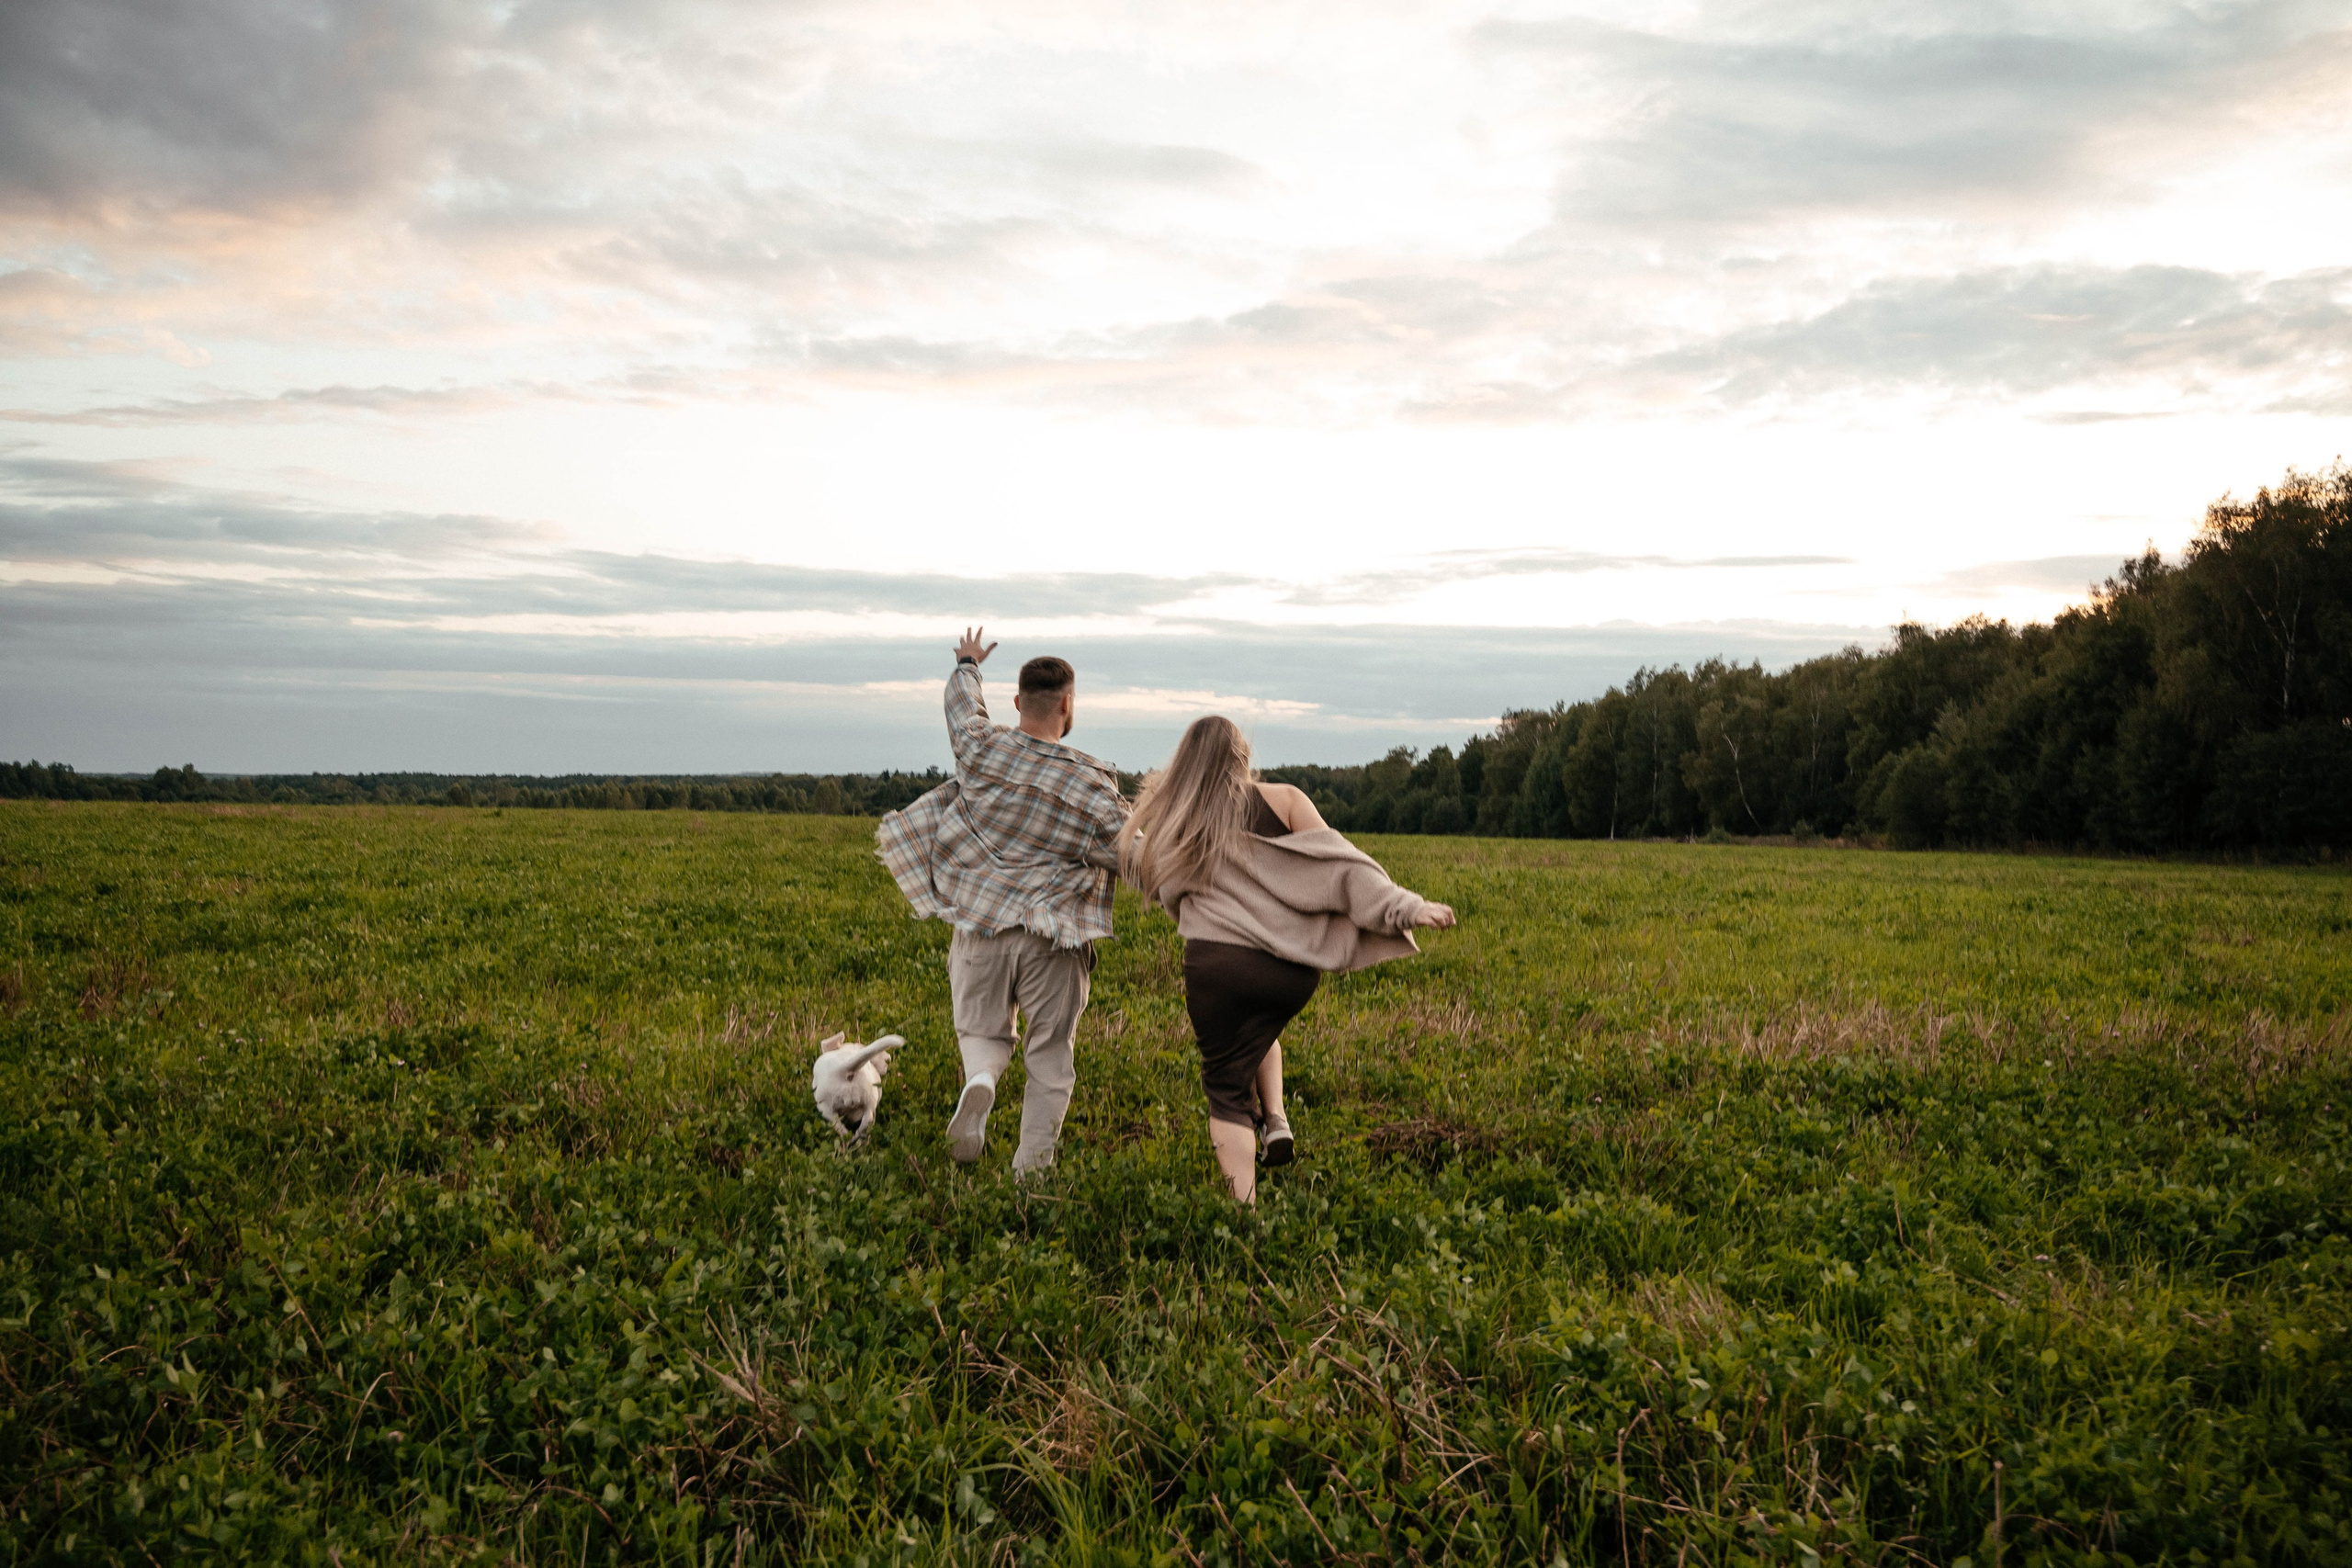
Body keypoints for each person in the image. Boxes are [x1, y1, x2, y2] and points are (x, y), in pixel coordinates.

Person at [1117, 716, 1455, 1202]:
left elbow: (1152, 875)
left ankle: (1244, 1211)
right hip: (1286, 972)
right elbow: (1343, 866)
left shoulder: (1177, 815)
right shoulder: (1286, 799)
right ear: (1243, 756)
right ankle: (1275, 1119)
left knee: (1226, 1088)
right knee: (1259, 1030)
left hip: (1215, 969)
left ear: (1185, 759)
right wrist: (1407, 907)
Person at [876, 627, 1130, 1174]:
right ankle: (1031, 1171)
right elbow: (1139, 855)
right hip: (1051, 937)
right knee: (1049, 1056)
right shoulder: (1091, 787)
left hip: (979, 925)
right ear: (1068, 705)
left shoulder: (982, 747)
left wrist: (969, 662)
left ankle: (982, 1079)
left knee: (981, 1032)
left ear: (1017, 702)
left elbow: (962, 708)